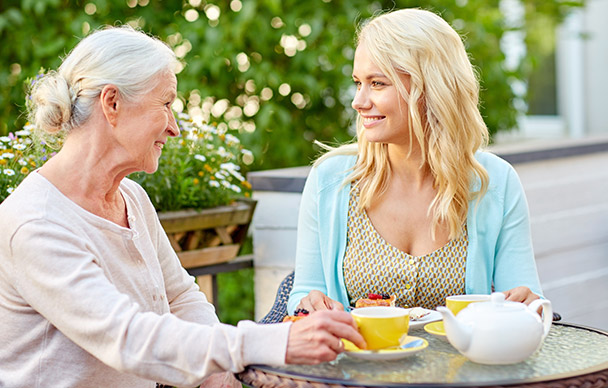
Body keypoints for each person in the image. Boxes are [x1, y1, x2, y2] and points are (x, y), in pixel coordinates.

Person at [0, 26, 364, 388]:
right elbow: (127, 338)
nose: (174, 128)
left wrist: (219, 373)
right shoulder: (36, 222)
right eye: (166, 104)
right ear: (112, 103)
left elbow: (180, 298)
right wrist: (273, 343)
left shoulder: (131, 198)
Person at [287, 8, 544, 316]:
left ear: (430, 87)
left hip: (465, 364)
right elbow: (304, 293)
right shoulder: (330, 180)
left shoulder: (495, 182)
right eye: (358, 82)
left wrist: (528, 305)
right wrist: (307, 304)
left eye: (377, 83)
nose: (358, 101)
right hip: (358, 363)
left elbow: (524, 300)